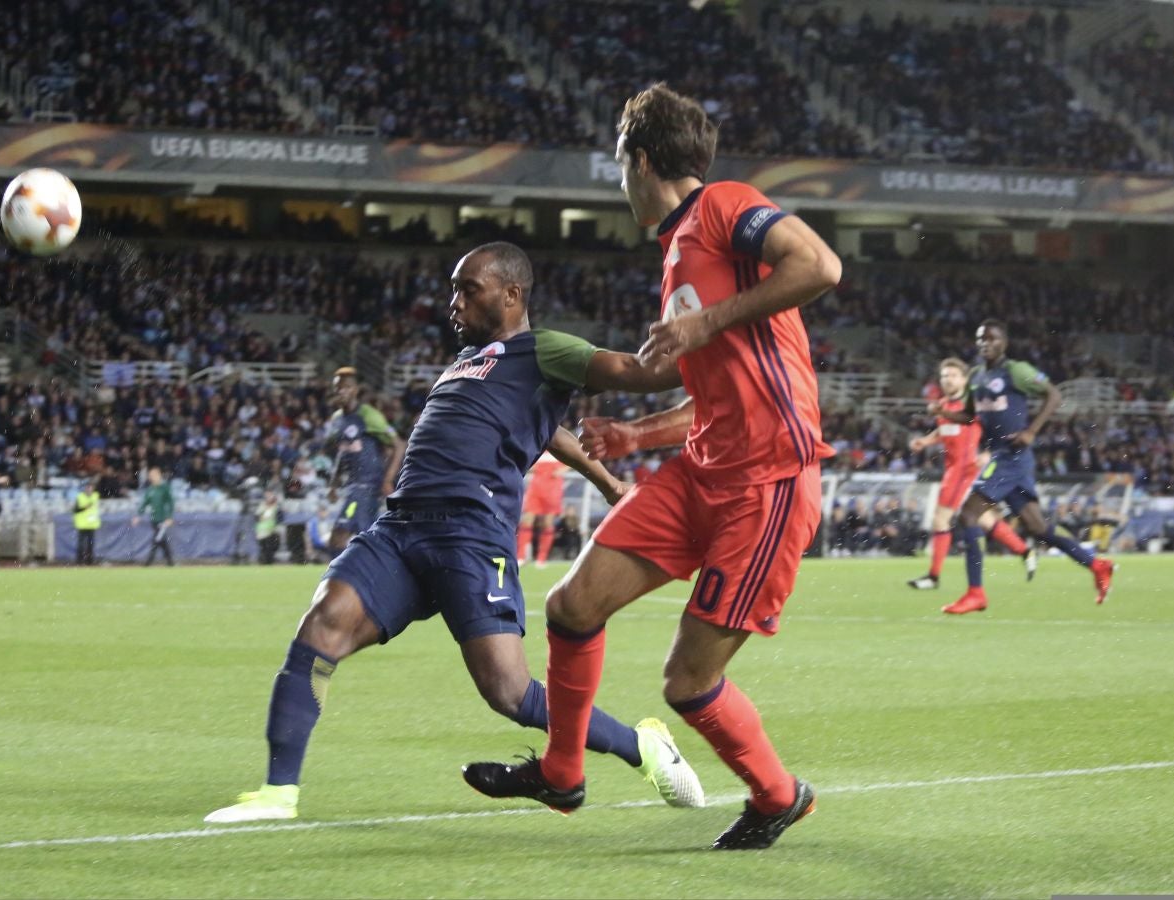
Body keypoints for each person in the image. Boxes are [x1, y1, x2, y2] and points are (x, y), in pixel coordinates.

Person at [204, 242, 703, 825]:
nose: (454, 302)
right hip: (400, 527)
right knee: (320, 628)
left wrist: (708, 337)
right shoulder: (472, 359)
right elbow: (545, 430)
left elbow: (638, 372)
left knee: (510, 693)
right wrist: (606, 481)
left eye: (469, 289)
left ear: (513, 295)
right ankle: (276, 794)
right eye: (454, 289)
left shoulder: (545, 349)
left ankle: (642, 747)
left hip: (470, 534)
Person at [463, 84, 842, 850]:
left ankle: (777, 795)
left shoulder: (724, 205)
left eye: (618, 163)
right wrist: (636, 435)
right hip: (705, 472)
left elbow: (820, 265)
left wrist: (702, 318)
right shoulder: (676, 251)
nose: (619, 179)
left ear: (640, 159)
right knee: (572, 607)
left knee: (686, 684)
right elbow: (717, 391)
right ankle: (563, 775)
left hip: (765, 484)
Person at [931, 320, 1116, 614]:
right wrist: (944, 413)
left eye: (991, 339)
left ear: (1003, 342)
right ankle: (1097, 565)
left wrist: (1031, 431)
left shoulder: (1016, 371)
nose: (985, 344)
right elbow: (969, 416)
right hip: (1005, 458)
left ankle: (976, 593)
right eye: (981, 339)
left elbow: (1054, 395)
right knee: (1038, 528)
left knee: (968, 515)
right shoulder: (977, 375)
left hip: (1011, 456)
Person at [907, 358, 1036, 590]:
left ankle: (933, 577)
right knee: (985, 519)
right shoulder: (944, 404)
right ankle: (1025, 551)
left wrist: (988, 452)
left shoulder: (974, 404)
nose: (948, 380)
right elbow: (944, 428)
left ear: (965, 380)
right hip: (953, 468)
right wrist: (926, 441)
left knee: (941, 518)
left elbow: (992, 427)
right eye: (944, 376)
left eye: (953, 376)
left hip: (964, 470)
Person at [326, 371, 405, 554]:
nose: (341, 391)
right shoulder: (337, 419)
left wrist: (387, 480)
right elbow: (343, 450)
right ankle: (373, 574)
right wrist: (333, 483)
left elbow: (399, 445)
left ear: (355, 390)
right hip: (352, 485)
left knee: (339, 536)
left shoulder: (368, 415)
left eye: (346, 387)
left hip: (368, 485)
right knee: (365, 537)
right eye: (337, 387)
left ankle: (339, 579)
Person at [517, 450, 566, 566]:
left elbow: (575, 456)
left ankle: (542, 558)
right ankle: (520, 556)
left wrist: (563, 469)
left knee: (547, 523)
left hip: (552, 488)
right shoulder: (538, 442)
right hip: (535, 487)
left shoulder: (560, 443)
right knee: (526, 521)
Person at [132, 467, 175, 567]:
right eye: (151, 476)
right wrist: (138, 515)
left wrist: (169, 517)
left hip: (163, 519)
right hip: (154, 519)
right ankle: (170, 563)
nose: (152, 477)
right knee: (161, 541)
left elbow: (170, 503)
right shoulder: (150, 490)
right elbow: (144, 504)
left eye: (154, 475)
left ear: (159, 475)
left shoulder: (165, 488)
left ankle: (148, 563)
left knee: (157, 540)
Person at [73, 477, 101, 566]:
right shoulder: (80, 497)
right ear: (85, 488)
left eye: (91, 487)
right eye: (88, 487)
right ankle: (79, 561)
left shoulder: (95, 496)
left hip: (91, 524)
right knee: (81, 545)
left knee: (90, 545)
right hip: (82, 524)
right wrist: (85, 507)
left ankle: (90, 561)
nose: (89, 489)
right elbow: (75, 509)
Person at [256, 490, 282, 565]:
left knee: (270, 548)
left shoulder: (276, 507)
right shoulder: (262, 506)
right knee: (264, 549)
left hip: (272, 531)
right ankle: (265, 562)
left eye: (270, 496)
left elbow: (279, 518)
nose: (268, 498)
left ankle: (269, 562)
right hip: (262, 531)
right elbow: (257, 517)